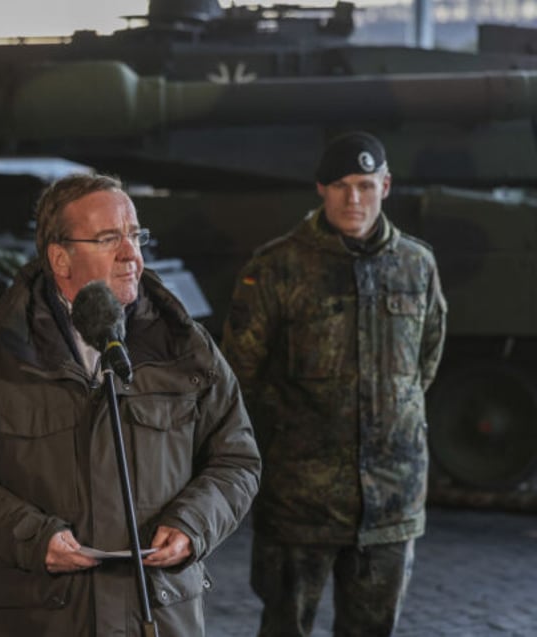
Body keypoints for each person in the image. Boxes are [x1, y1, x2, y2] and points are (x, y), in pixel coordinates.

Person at [0, 173, 261, 636]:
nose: (131, 255)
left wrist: (194, 526)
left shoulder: (184, 346)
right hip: (44, 616)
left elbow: (237, 460)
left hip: (157, 614)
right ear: (61, 258)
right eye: (107, 239)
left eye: (135, 236)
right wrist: (32, 537)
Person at [222, 131, 447, 637]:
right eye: (342, 185)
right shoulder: (276, 267)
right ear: (320, 189)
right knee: (285, 627)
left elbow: (423, 363)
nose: (354, 199)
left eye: (366, 185)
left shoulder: (417, 265)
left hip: (392, 500)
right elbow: (241, 375)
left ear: (386, 186)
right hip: (300, 498)